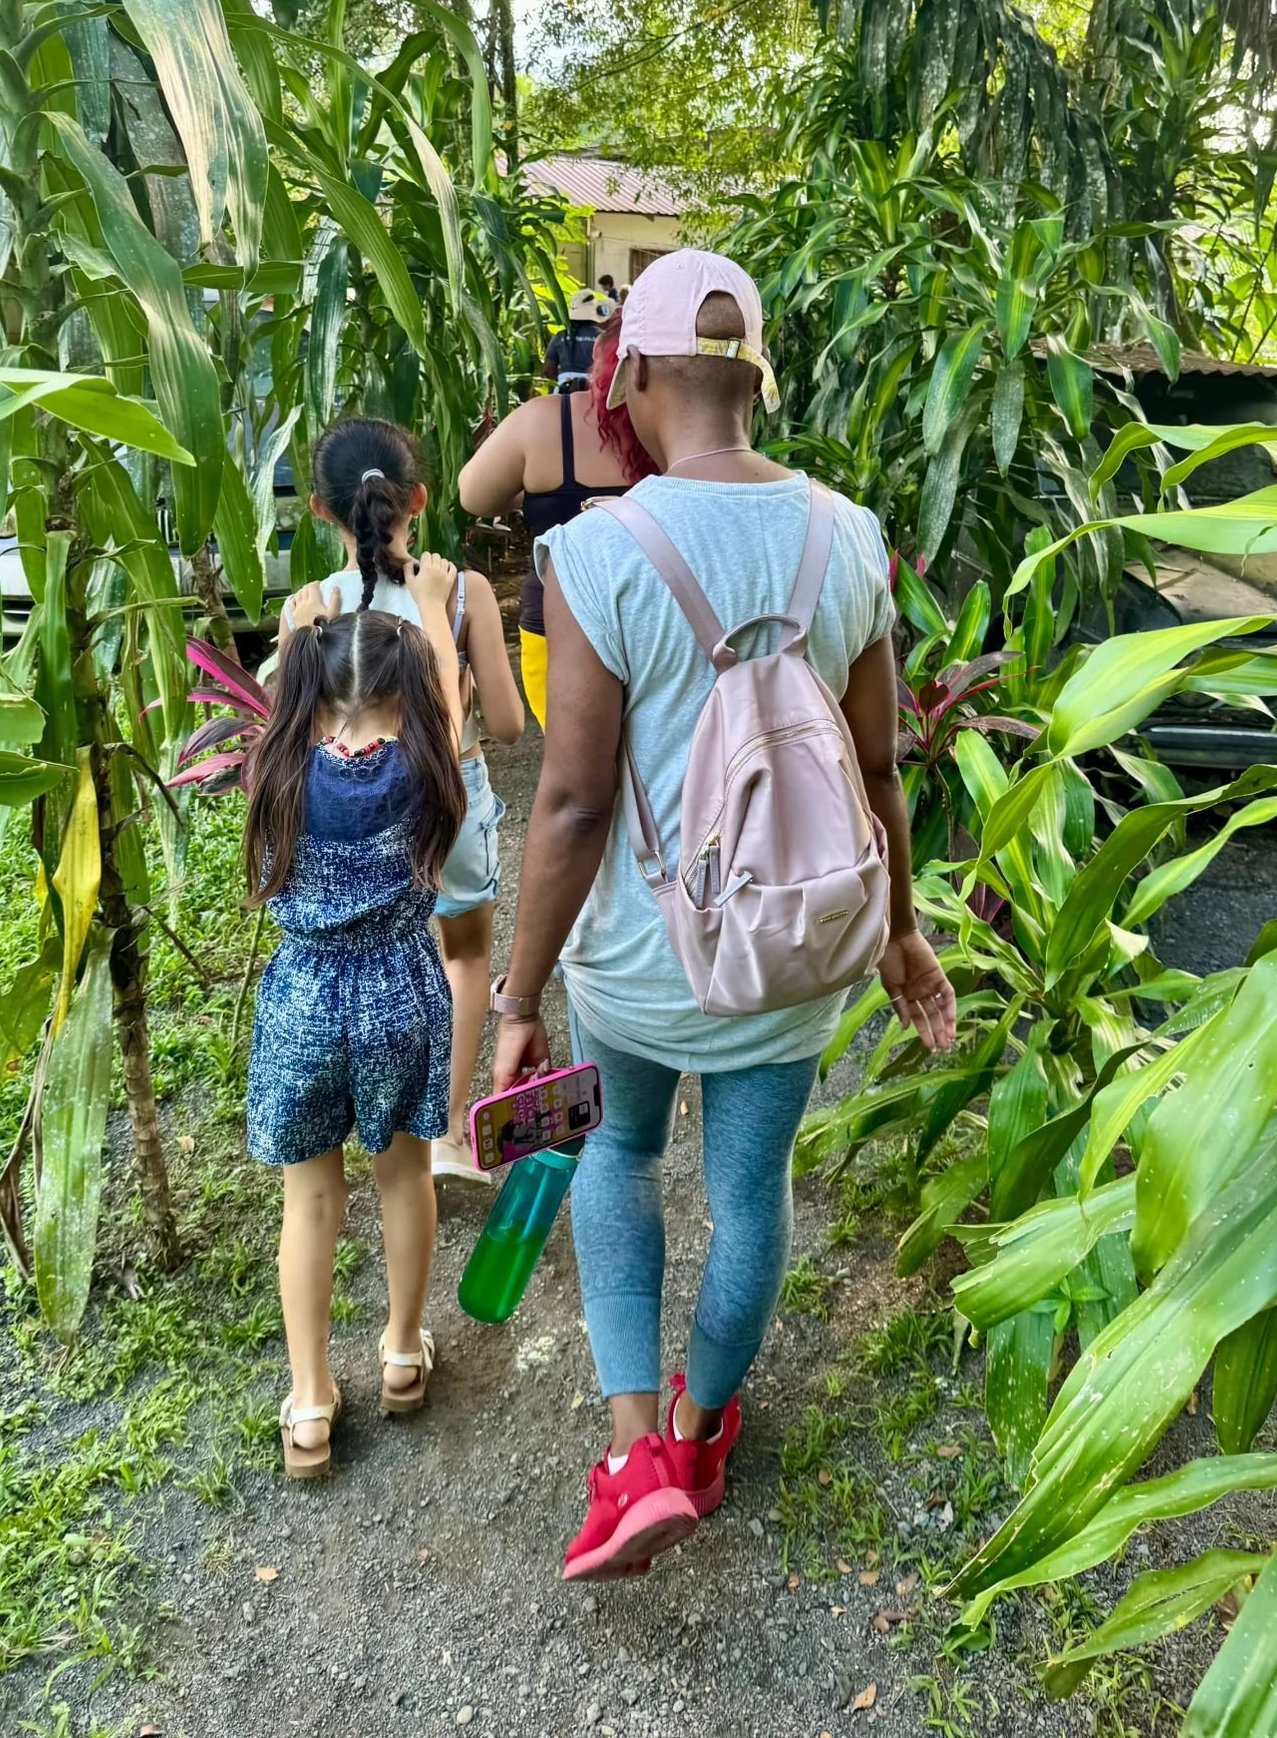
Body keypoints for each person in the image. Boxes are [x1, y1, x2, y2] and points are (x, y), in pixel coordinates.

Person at [490, 250, 957, 1580]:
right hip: (798, 950)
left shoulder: (594, 551)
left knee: (621, 1154)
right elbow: (876, 772)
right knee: (751, 1191)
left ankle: (634, 1452)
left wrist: (517, 1004)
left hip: (638, 963)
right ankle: (703, 1429)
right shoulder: (849, 535)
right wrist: (903, 932)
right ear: (757, 377)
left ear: (629, 378)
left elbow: (573, 804)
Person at [246, 579, 466, 1478]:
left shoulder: (281, 769)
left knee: (311, 1201)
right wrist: (441, 629)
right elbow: (453, 729)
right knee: (405, 1175)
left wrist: (299, 632)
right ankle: (404, 1354)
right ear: (406, 691)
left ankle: (308, 1404)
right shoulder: (423, 769)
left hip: (304, 1001)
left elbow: (284, 709)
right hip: (402, 997)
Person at [282, 419, 525, 1186]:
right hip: (454, 803)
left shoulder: (308, 609)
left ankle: (370, 1122)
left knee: (373, 956)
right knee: (463, 955)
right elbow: (514, 726)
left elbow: (295, 728)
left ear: (321, 511)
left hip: (354, 820)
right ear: (420, 498)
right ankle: (447, 1131)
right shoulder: (464, 593)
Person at [459, 319, 656, 731]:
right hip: (656, 624)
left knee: (577, 766)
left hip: (554, 620)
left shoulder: (544, 419)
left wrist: (536, 494)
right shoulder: (673, 427)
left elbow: (473, 496)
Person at [542, 288, 614, 389]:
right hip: (592, 388)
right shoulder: (602, 337)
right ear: (594, 313)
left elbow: (548, 369)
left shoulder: (559, 336)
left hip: (563, 386)